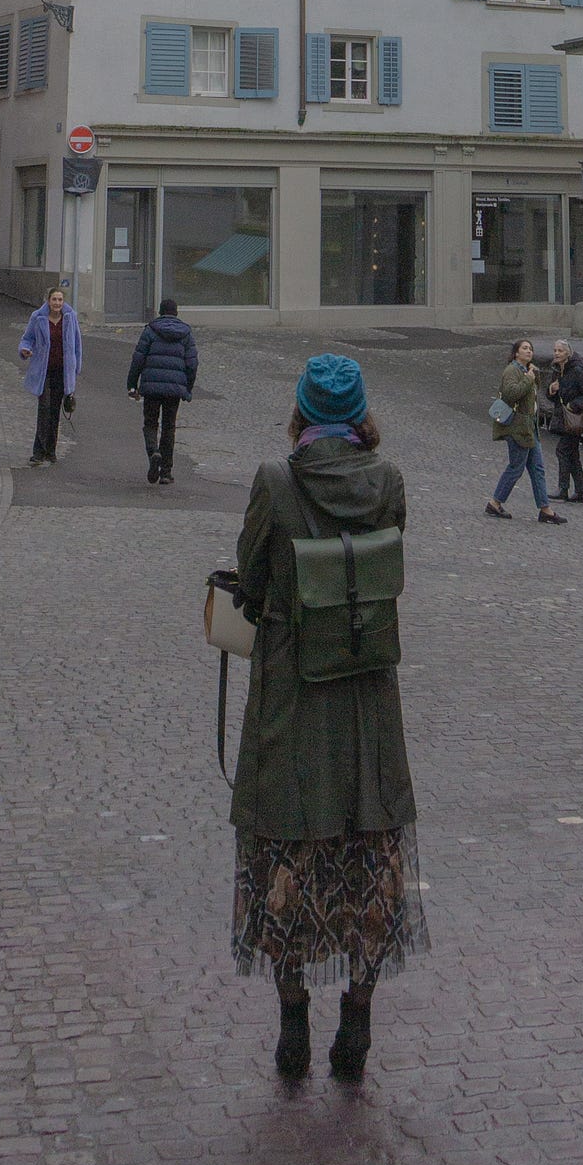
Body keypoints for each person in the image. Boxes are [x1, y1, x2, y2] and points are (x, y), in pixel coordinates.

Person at [230, 353, 428, 1083]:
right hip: (367, 702)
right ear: (362, 414)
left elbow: (251, 582)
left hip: (291, 697)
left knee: (285, 855)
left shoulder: (277, 482)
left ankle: (291, 1028)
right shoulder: (388, 483)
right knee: (367, 857)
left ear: (302, 413)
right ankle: (358, 1024)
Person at [486, 339, 564, 524]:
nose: (529, 352)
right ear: (516, 353)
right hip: (517, 428)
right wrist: (529, 378)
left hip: (530, 429)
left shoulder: (526, 370)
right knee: (516, 467)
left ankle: (545, 509)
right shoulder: (512, 371)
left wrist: (533, 376)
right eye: (525, 348)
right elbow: (511, 394)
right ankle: (494, 503)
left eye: (530, 349)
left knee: (537, 469)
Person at [125, 296, 198, 485]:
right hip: (175, 388)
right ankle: (166, 472)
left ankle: (153, 452)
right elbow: (192, 363)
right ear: (176, 312)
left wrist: (132, 385)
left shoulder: (150, 330)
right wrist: (187, 388)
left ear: (159, 312)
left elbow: (138, 359)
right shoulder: (186, 333)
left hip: (151, 386)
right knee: (169, 427)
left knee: (150, 423)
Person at [19, 284, 82, 467]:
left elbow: (77, 344)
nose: (57, 303)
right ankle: (38, 452)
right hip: (43, 370)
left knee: (55, 410)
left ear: (64, 302)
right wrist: (25, 350)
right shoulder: (38, 318)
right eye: (54, 299)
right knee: (44, 408)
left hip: (62, 371)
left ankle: (51, 451)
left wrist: (76, 367)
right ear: (48, 301)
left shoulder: (70, 318)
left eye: (60, 300)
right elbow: (27, 338)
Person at [542, 339, 583, 503]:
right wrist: (552, 390)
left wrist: (574, 405)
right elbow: (552, 395)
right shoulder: (557, 371)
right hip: (563, 419)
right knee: (572, 455)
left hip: (574, 419)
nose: (556, 353)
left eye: (560, 351)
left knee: (563, 451)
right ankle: (580, 491)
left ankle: (563, 488)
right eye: (555, 350)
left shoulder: (577, 371)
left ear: (568, 354)